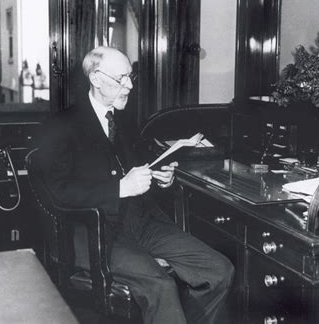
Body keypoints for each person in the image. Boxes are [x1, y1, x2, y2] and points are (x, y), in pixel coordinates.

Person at [37, 46, 234, 323]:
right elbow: (56, 192)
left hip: (140, 221)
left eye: (131, 77)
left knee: (218, 270)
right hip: (94, 232)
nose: (129, 85)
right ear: (95, 78)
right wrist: (119, 188)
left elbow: (137, 170)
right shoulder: (61, 125)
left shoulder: (125, 120)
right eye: (121, 79)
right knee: (162, 287)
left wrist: (161, 178)